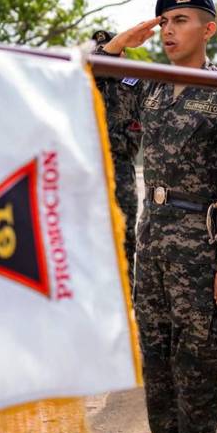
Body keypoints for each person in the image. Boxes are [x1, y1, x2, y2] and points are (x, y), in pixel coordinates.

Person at [94, 0, 217, 433]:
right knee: (156, 350)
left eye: (181, 20)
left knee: (197, 358)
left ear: (208, 29)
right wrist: (116, 46)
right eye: (164, 22)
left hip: (200, 239)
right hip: (153, 237)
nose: (169, 30)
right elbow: (94, 85)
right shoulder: (147, 83)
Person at [90, 29, 141, 289]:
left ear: (121, 52)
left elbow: (136, 133)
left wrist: (107, 140)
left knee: (123, 241)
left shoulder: (134, 83)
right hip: (87, 172)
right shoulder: (84, 81)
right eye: (99, 49)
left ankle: (125, 304)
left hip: (121, 173)